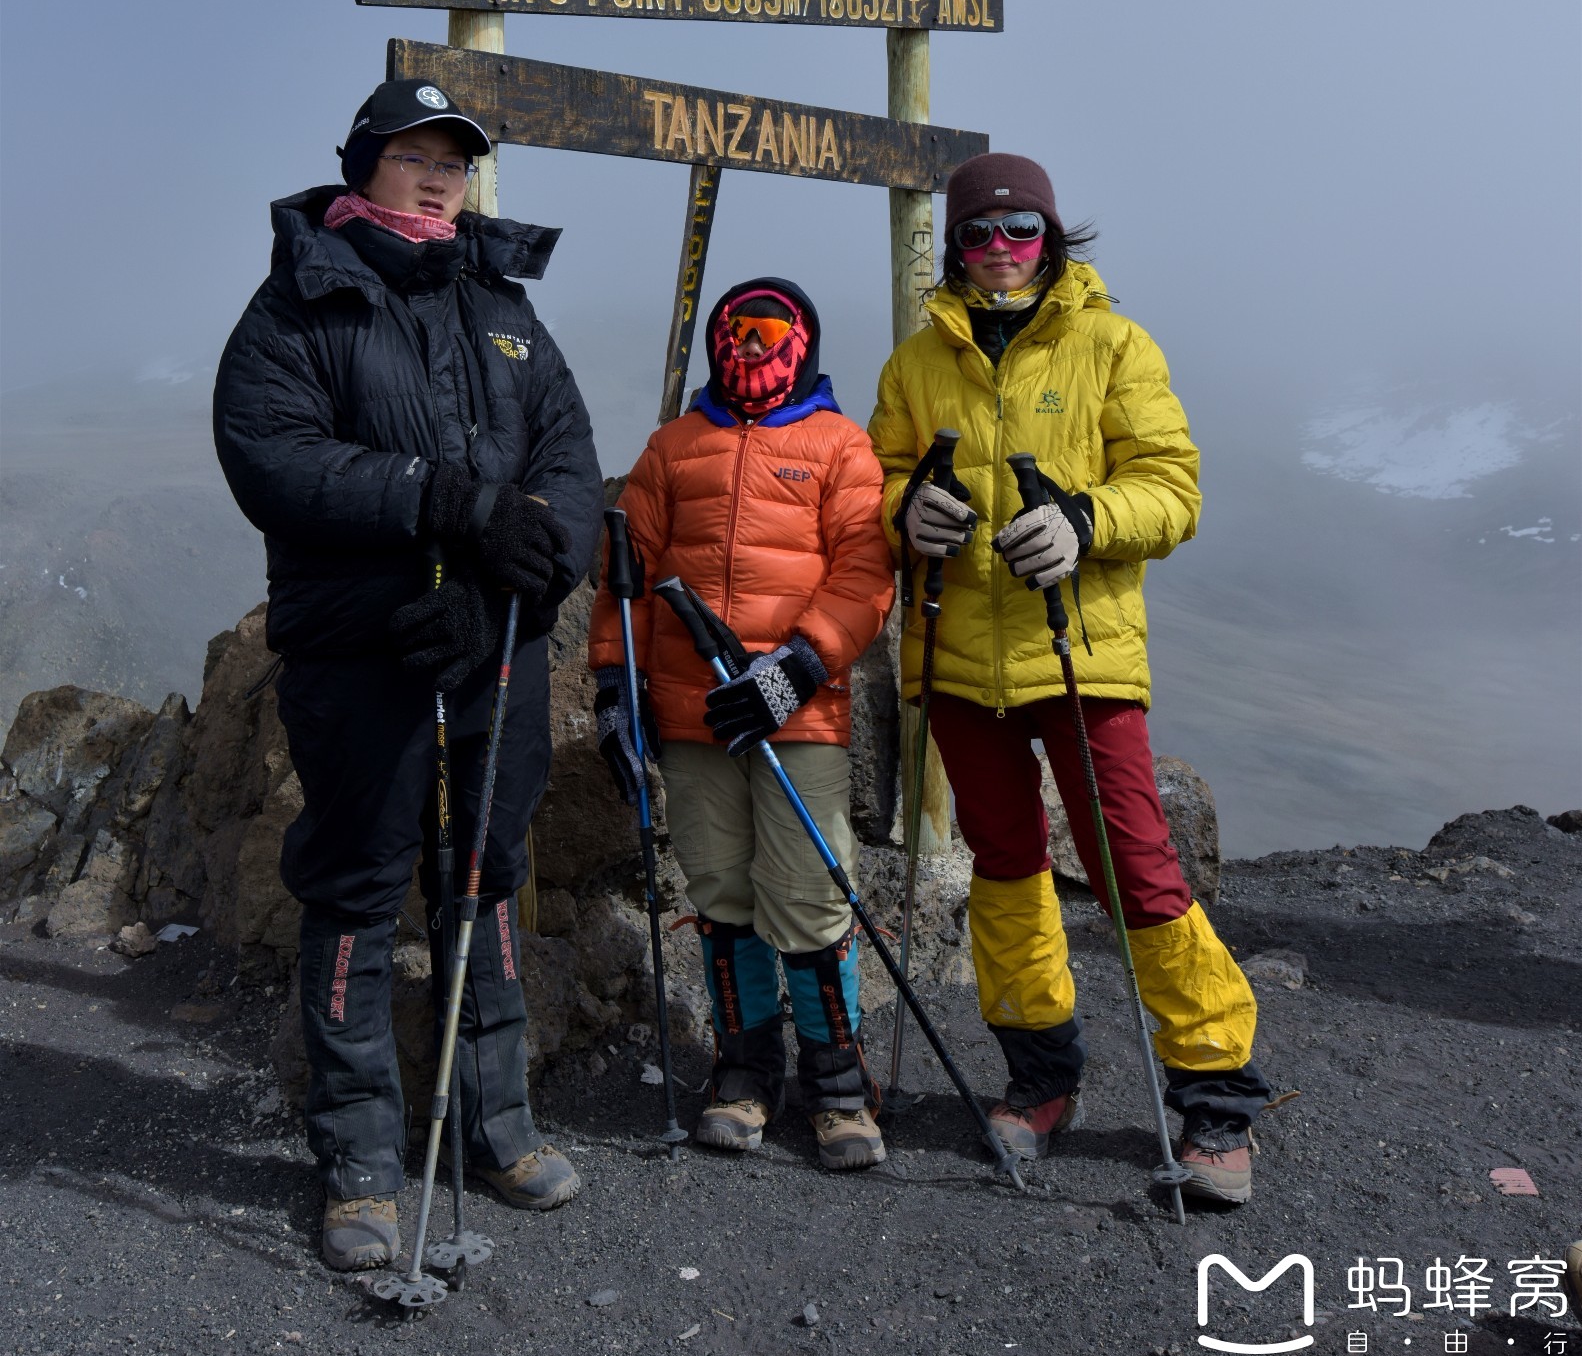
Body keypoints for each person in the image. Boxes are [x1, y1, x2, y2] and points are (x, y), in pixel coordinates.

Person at [213, 78, 603, 1270]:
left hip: (495, 647)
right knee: (357, 885)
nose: (440, 175)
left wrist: (511, 584)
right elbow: (274, 457)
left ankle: (496, 1124)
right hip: (360, 651)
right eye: (415, 154)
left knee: (483, 877)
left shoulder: (505, 309)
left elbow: (570, 466)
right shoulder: (301, 301)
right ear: (360, 162)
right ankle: (362, 1163)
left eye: (457, 159)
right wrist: (436, 503)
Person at [868, 152, 1272, 1206]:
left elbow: (1170, 488)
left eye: (1021, 230)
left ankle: (1214, 1091)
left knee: (1136, 864)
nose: (1000, 249)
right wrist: (904, 514)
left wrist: (1085, 518)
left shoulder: (1113, 343)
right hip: (959, 658)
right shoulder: (915, 363)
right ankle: (1041, 1077)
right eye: (979, 232)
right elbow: (871, 483)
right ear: (952, 245)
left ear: (1053, 239)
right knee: (1004, 865)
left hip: (1078, 649)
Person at [587, 281, 895, 1171]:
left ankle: (839, 1087)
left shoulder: (840, 445)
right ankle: (744, 1074)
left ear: (804, 342)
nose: (751, 349)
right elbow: (625, 579)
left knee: (807, 892)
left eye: (769, 332)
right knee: (721, 891)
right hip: (691, 714)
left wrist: (796, 668)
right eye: (735, 331)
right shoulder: (672, 448)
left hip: (798, 714)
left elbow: (866, 572)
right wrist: (616, 685)